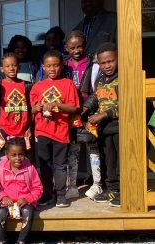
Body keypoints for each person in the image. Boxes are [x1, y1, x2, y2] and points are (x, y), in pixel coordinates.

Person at [30, 50, 80, 208]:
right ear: (43, 67)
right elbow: (31, 110)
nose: (53, 69)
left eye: (56, 65)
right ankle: (47, 193)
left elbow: (74, 108)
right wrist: (37, 107)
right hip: (42, 131)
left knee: (60, 165)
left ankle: (60, 195)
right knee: (44, 164)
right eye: (49, 66)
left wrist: (56, 105)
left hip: (61, 131)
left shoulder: (68, 84)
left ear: (62, 66)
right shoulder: (37, 86)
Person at [63, 30, 102, 200]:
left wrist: (84, 109)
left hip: (88, 112)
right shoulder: (63, 66)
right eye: (72, 47)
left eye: (80, 46)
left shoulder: (94, 65)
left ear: (85, 45)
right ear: (66, 48)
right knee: (73, 149)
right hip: (69, 114)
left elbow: (98, 91)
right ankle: (71, 186)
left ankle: (97, 184)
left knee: (93, 148)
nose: (76, 50)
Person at [83, 42, 119, 207]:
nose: (107, 65)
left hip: (120, 126)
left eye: (110, 61)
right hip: (105, 128)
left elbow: (128, 103)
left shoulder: (123, 78)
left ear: (118, 59)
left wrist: (104, 114)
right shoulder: (100, 79)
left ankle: (124, 191)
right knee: (108, 159)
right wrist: (84, 109)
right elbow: (95, 97)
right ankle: (111, 189)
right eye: (103, 63)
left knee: (121, 160)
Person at [0, 138, 43, 244]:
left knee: (28, 213)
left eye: (21, 154)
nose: (18, 158)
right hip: (7, 201)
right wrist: (3, 197)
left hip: (25, 201)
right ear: (7, 155)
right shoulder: (0, 169)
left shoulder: (30, 168)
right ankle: (2, 240)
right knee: (0, 214)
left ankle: (21, 240)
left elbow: (38, 189)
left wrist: (27, 199)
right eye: (14, 155)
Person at [0, 53, 31, 155]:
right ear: (2, 69)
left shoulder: (27, 86)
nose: (11, 68)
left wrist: (30, 128)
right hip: (5, 132)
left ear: (19, 67)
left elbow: (32, 109)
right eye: (7, 66)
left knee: (26, 164)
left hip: (24, 133)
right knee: (6, 163)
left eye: (14, 65)